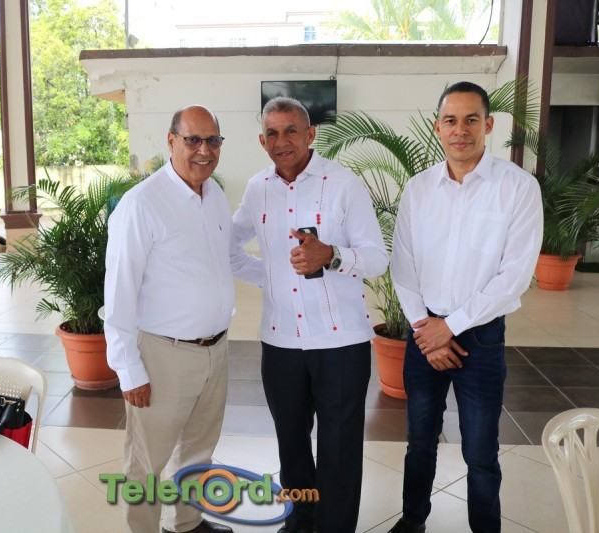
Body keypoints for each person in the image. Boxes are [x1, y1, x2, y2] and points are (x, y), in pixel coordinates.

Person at [388, 81, 543, 533]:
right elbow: (403, 265)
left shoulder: (517, 188)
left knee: (480, 451)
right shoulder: (418, 189)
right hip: (424, 335)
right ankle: (412, 521)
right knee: (419, 443)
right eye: (451, 120)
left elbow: (514, 276)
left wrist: (450, 327)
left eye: (471, 120)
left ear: (488, 125)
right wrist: (428, 330)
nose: (461, 130)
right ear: (437, 127)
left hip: (481, 339)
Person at [231, 96, 388, 533]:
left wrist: (332, 255)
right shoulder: (257, 188)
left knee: (339, 449)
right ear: (262, 140)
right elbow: (229, 247)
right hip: (280, 342)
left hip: (341, 344)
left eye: (291, 131)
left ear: (311, 134)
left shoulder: (343, 184)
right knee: (292, 445)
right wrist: (272, 275)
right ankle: (301, 521)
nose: (282, 141)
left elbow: (377, 257)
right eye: (272, 133)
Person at [104, 105, 255, 533]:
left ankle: (188, 523)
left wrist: (285, 276)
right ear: (171, 141)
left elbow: (230, 259)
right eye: (193, 140)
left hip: (215, 350)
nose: (204, 150)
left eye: (213, 140)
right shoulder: (141, 205)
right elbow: (118, 295)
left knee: (199, 449)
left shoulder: (214, 196)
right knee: (147, 464)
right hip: (162, 356)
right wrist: (129, 371)